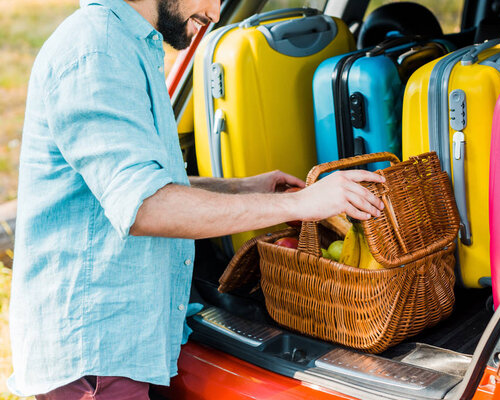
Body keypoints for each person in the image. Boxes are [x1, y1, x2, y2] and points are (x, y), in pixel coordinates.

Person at [8, 0, 386, 398]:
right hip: (96, 360)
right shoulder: (97, 52)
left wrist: (240, 187)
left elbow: (144, 182)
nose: (216, 13)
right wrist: (301, 204)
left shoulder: (124, 43)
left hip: (120, 347)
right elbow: (146, 206)